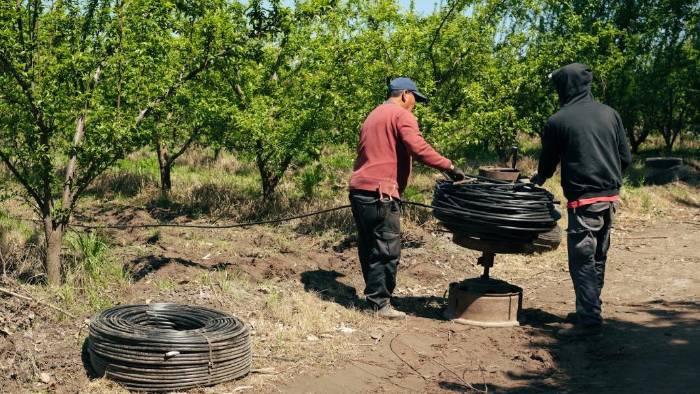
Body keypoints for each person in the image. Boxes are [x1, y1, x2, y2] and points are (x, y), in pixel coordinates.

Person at [348, 77, 464, 320]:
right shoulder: (401, 115)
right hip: (381, 193)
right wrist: (449, 167)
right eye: (414, 99)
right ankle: (380, 305)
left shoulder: (374, 114)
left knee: (369, 246)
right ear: (404, 95)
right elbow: (418, 147)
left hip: (360, 190)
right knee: (387, 249)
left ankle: (374, 300)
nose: (415, 105)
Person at [531, 63, 632, 337]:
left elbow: (547, 164)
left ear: (564, 87)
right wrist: (608, 180)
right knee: (598, 256)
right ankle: (590, 309)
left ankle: (589, 321)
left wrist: (537, 179)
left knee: (582, 260)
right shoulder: (610, 114)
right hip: (611, 199)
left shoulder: (558, 121)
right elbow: (626, 158)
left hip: (583, 202)